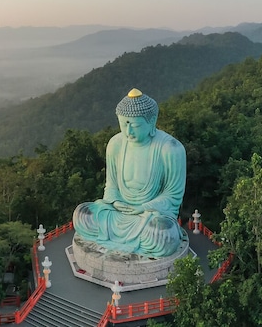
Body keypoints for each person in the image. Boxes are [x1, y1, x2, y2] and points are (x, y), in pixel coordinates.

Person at [72, 88, 186, 258]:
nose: (128, 132)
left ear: (152, 121)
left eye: (135, 125)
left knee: (163, 236)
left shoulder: (170, 149)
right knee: (82, 215)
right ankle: (121, 235)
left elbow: (173, 196)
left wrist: (143, 207)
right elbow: (111, 184)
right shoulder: (115, 144)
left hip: (148, 216)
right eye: (124, 124)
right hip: (117, 212)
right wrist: (115, 201)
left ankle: (140, 237)